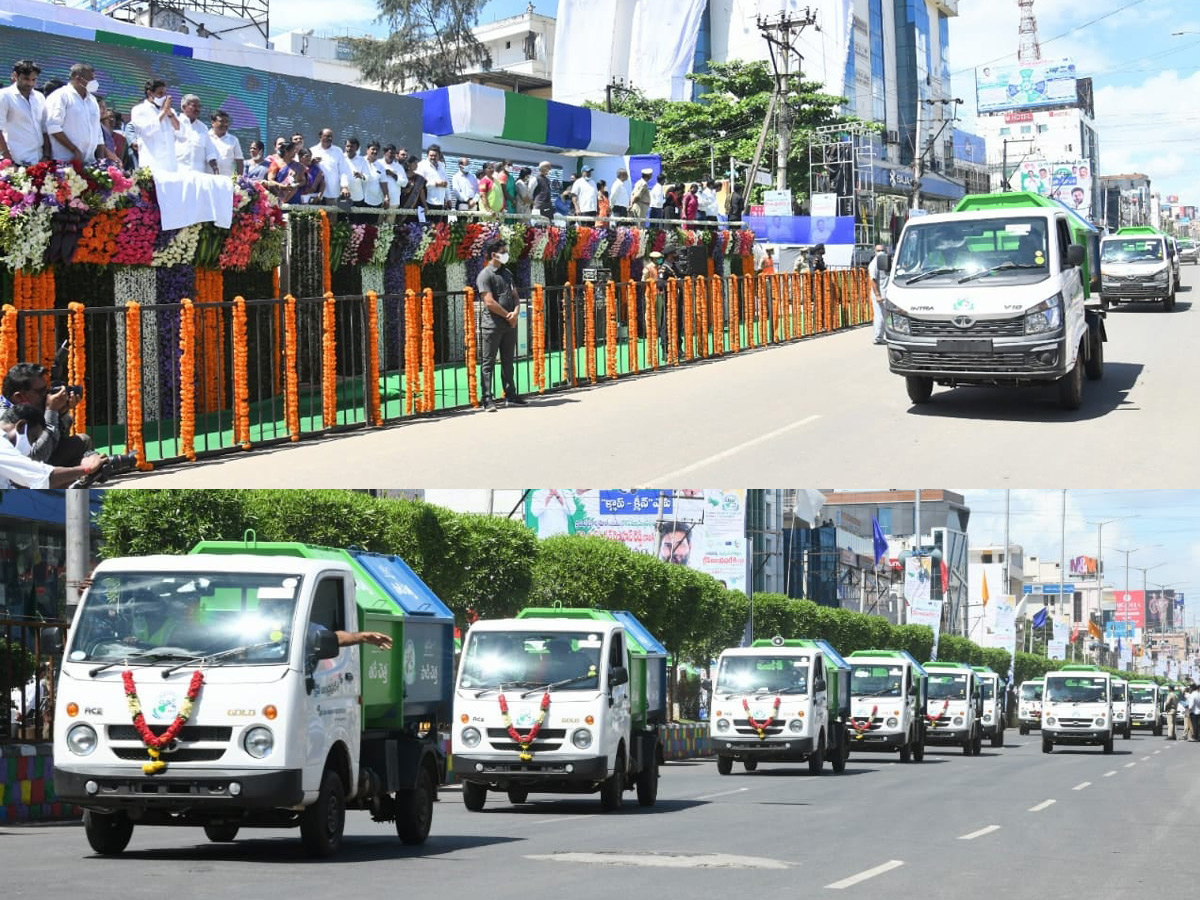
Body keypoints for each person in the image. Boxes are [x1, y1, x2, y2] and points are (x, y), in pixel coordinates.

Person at [2, 361, 94, 466]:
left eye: (47, 390)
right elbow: (37, 457)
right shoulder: (5, 419)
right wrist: (51, 410)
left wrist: (61, 413)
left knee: (81, 441)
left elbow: (55, 443)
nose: (47, 395)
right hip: (19, 471)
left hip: (33, 467)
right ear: (18, 397)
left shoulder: (26, 408)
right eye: (41, 392)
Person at [475, 237, 525, 412]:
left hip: (509, 324)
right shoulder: (485, 275)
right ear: (493, 254)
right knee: (488, 362)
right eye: (503, 252)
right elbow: (489, 302)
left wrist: (516, 312)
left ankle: (510, 394)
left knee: (508, 361)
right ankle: (487, 398)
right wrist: (507, 315)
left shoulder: (507, 273)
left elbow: (515, 295)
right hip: (492, 325)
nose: (506, 255)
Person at [0, 405, 102, 488]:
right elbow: (44, 476)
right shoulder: (3, 447)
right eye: (33, 438)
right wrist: (87, 468)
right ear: (22, 426)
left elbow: (23, 482)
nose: (31, 445)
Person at [45, 63, 106, 165]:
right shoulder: (61, 96)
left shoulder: (92, 100)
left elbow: (98, 132)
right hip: (65, 162)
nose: (94, 82)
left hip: (89, 162)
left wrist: (101, 160)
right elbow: (53, 127)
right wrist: (74, 150)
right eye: (91, 79)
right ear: (78, 78)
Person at [129, 79, 183, 176]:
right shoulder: (139, 110)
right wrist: (163, 112)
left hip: (170, 165)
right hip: (151, 164)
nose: (164, 97)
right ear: (150, 93)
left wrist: (170, 114)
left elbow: (180, 130)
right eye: (160, 93)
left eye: (165, 93)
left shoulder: (170, 111)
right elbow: (146, 130)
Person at [0, 59, 49, 165]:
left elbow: (44, 129)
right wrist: (7, 159)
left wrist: (46, 155)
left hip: (39, 160)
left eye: (34, 79)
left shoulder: (39, 97)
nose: (30, 83)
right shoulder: (4, 96)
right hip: (16, 160)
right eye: (26, 79)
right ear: (15, 76)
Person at [175, 94, 218, 174]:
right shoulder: (175, 123)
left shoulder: (203, 128)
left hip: (198, 174)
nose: (198, 109)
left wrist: (215, 169)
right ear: (184, 107)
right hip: (177, 172)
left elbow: (210, 151)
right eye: (194, 106)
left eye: (199, 106)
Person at [309, 128, 351, 205]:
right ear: (320, 137)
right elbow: (305, 168)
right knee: (316, 216)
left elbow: (343, 171)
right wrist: (311, 162)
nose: (329, 138)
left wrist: (344, 187)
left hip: (333, 191)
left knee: (332, 215)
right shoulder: (312, 150)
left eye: (331, 136)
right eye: (327, 136)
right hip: (316, 191)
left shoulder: (338, 151)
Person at [207, 109, 243, 177]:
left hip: (226, 181)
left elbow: (239, 161)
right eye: (221, 121)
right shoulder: (206, 137)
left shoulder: (233, 140)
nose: (225, 124)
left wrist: (239, 179)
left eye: (226, 122)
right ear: (213, 122)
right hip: (207, 180)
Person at [868, 243, 890, 344]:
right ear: (875, 252)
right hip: (879, 294)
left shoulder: (887, 262)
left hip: (887, 293)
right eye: (878, 250)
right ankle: (877, 337)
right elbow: (872, 279)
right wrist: (877, 295)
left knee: (887, 317)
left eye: (882, 250)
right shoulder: (874, 264)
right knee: (879, 316)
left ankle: (886, 335)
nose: (881, 252)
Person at [417, 144, 450, 211]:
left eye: (435, 156)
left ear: (439, 156)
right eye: (431, 155)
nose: (433, 157)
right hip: (426, 203)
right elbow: (419, 184)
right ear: (427, 155)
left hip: (440, 203)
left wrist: (448, 198)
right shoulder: (422, 165)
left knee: (438, 222)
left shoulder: (442, 166)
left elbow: (446, 184)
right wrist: (436, 184)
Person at [361, 141, 390, 211]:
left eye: (377, 150)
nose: (375, 151)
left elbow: (383, 183)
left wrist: (386, 197)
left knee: (372, 222)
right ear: (367, 150)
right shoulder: (360, 161)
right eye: (373, 149)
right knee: (357, 222)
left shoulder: (381, 167)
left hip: (375, 201)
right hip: (360, 200)